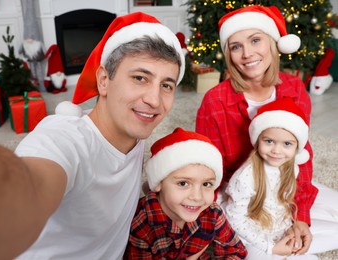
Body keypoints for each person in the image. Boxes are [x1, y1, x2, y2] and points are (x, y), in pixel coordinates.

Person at [0, 12, 185, 260]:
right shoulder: (64, 138)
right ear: (104, 80)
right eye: (140, 78)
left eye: (166, 85)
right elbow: (31, 182)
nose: (154, 100)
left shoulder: (134, 126)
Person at [195, 5, 338, 255]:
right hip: (239, 192)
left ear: (272, 43)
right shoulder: (215, 100)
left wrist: (301, 217)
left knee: (328, 220)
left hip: (282, 182)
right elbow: (208, 167)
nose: (247, 53)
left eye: (255, 40)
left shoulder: (294, 89)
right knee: (253, 247)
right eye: (236, 46)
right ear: (228, 54)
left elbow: (302, 154)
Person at [124, 128, 247, 259]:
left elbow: (236, 251)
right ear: (159, 183)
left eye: (206, 184)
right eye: (183, 183)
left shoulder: (212, 212)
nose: (197, 197)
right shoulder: (142, 223)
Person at [223, 97, 318, 259]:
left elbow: (282, 205)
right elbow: (234, 219)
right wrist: (270, 247)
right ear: (257, 140)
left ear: (297, 147)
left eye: (287, 144)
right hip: (249, 234)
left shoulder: (290, 168)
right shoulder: (246, 177)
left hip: (276, 227)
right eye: (269, 141)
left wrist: (289, 230)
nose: (276, 151)